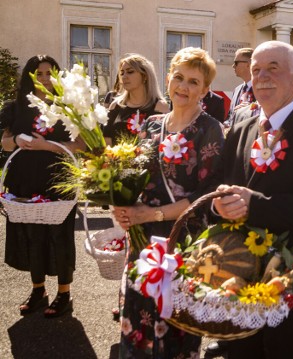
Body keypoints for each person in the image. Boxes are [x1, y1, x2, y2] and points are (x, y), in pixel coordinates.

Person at [211, 40, 293, 359]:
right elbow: (223, 184)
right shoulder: (241, 127)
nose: (262, 77)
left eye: (273, 68)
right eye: (256, 70)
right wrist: (218, 204)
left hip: (289, 277)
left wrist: (255, 204)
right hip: (238, 272)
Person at [113, 47, 224, 358]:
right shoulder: (151, 125)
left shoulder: (210, 129)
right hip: (142, 241)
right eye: (178, 78)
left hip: (182, 243)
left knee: (176, 323)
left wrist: (152, 213)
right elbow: (130, 175)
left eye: (193, 81)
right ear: (167, 78)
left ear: (204, 89)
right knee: (137, 318)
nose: (183, 87)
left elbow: (206, 195)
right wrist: (119, 204)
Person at [0, 55, 85, 318]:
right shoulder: (16, 107)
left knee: (60, 237)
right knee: (31, 236)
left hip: (59, 180)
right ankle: (38, 290)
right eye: (39, 73)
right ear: (29, 75)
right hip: (24, 179)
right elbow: (4, 143)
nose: (45, 78)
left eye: (51, 73)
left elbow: (82, 145)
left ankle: (64, 293)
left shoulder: (68, 106)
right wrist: (16, 139)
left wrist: (47, 145)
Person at [104, 54, 169, 145]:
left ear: (145, 76)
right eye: (122, 73)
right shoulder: (115, 105)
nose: (124, 77)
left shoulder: (160, 106)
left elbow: (162, 143)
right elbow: (107, 142)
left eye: (130, 72)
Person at [225, 47, 254, 127]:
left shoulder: (261, 90)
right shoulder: (237, 90)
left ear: (248, 65)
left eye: (236, 62)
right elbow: (230, 116)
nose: (233, 66)